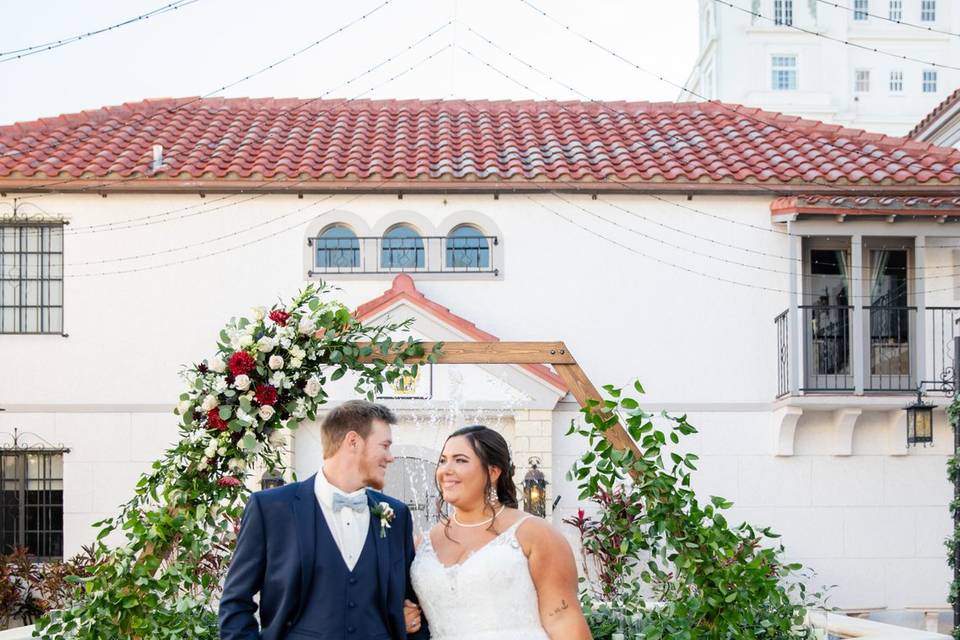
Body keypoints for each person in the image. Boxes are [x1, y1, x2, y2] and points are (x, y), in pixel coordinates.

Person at [219, 400, 428, 640]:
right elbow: (236, 601)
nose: (390, 457)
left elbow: (412, 604)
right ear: (353, 442)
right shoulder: (271, 509)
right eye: (384, 446)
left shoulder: (396, 515)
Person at [408, 425, 592, 640]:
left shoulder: (534, 534)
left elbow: (563, 620)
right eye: (443, 460)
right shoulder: (423, 543)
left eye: (460, 460)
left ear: (493, 471)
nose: (446, 470)